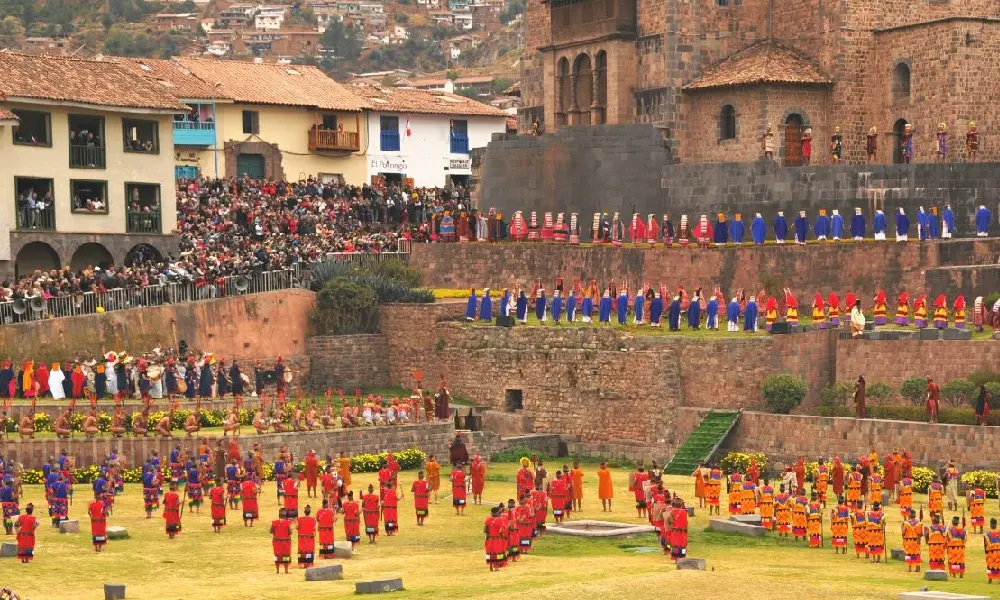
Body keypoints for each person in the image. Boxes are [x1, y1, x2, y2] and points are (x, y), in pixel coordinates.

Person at [270, 508, 293, 574]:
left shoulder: (274, 522)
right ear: (285, 516)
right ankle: (286, 570)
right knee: (286, 555)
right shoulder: (288, 522)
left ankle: (277, 570)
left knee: (276, 555)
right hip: (286, 542)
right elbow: (290, 532)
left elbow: (271, 531)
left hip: (277, 542)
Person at [985, 518, 1000, 583]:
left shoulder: (987, 534)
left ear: (990, 525)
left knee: (990, 565)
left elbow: (987, 545)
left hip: (991, 553)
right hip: (998, 552)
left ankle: (990, 579)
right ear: (996, 525)